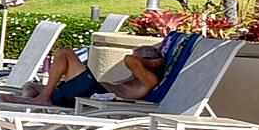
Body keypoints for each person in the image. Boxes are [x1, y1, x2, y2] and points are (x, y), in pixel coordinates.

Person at [37, 27, 196, 109]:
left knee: (66, 53)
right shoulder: (136, 77)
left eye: (141, 53)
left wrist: (153, 61)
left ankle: (44, 98)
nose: (135, 54)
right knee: (31, 86)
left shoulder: (149, 80)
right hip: (88, 94)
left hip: (91, 95)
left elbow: (129, 60)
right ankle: (41, 96)